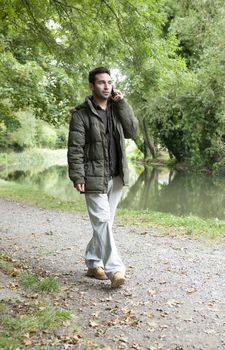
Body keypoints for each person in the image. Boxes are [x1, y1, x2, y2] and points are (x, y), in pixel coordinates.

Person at [67, 67, 138, 288]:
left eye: (109, 82)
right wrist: (77, 174)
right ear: (92, 86)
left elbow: (133, 131)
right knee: (103, 221)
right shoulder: (81, 115)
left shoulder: (117, 110)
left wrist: (122, 104)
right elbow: (75, 148)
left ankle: (92, 261)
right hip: (93, 177)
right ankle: (115, 269)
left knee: (105, 223)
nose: (106, 86)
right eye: (101, 82)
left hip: (116, 176)